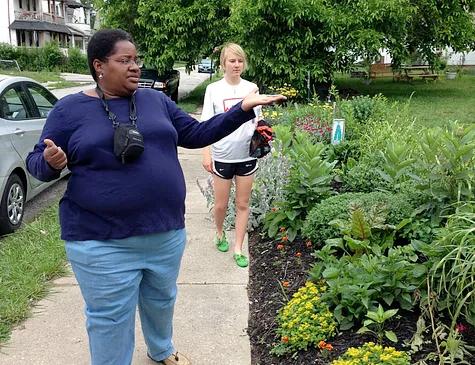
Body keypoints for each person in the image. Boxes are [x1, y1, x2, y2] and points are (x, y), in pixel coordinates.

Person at [26, 29, 285, 365]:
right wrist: (50, 162)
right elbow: (36, 162)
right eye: (125, 60)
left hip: (164, 233)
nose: (135, 66)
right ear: (99, 66)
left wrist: (243, 109)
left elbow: (196, 134)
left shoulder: (156, 101)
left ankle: (161, 349)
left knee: (161, 301)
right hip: (101, 239)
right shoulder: (70, 110)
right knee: (109, 319)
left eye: (136, 59)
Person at [201, 43, 262, 268]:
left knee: (243, 204)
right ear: (223, 64)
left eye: (240, 61)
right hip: (222, 156)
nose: (236, 65)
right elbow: (205, 125)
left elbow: (258, 121)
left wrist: (263, 134)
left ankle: (238, 248)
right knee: (220, 205)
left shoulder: (251, 88)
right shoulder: (214, 90)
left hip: (246, 155)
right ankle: (219, 233)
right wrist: (206, 153)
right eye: (232, 61)